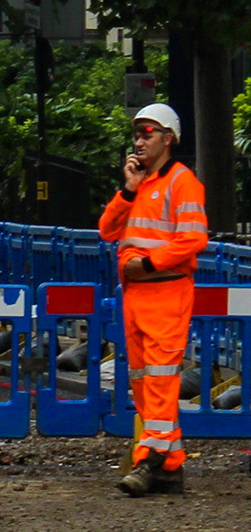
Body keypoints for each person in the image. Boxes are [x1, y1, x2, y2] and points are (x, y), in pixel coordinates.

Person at [100, 103, 206, 496]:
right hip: (137, 295)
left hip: (165, 289)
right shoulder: (139, 184)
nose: (140, 139)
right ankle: (170, 465)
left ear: (168, 139)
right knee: (144, 383)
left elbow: (194, 238)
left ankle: (151, 460)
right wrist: (127, 188)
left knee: (160, 381)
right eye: (137, 133)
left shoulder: (182, 182)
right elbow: (107, 230)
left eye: (148, 132)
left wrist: (147, 264)